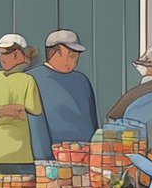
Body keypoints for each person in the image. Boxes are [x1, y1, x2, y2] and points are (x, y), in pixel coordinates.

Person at [28, 29, 99, 162]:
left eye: (77, 56)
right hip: (54, 159)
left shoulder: (82, 80)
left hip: (87, 156)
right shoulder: (32, 79)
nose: (75, 60)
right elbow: (35, 125)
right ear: (56, 52)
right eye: (72, 55)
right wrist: (44, 159)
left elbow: (93, 121)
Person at [0, 34, 43, 175]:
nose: (2, 58)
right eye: (0, 54)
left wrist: (9, 112)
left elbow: (35, 115)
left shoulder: (28, 80)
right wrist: (0, 113)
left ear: (20, 55)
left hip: (21, 154)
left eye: (8, 53)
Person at [107, 43, 152, 146]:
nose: (146, 69)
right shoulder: (150, 89)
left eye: (150, 65)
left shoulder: (145, 89)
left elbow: (113, 115)